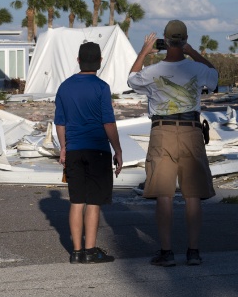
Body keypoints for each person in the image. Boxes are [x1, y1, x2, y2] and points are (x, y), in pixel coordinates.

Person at [127, 20, 218, 267]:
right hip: (191, 130)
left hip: (162, 130)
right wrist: (192, 52)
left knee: (164, 194)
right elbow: (215, 76)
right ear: (184, 39)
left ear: (165, 41)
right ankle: (193, 251)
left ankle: (166, 252)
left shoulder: (153, 72)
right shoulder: (196, 68)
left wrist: (145, 51)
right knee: (193, 195)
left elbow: (132, 79)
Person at [54, 41, 123, 264]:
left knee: (76, 201)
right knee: (93, 202)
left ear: (78, 60)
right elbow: (108, 122)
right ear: (100, 62)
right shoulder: (101, 87)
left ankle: (76, 252)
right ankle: (90, 251)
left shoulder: (64, 87)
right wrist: (118, 150)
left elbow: (60, 122)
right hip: (97, 151)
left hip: (74, 150)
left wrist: (63, 148)